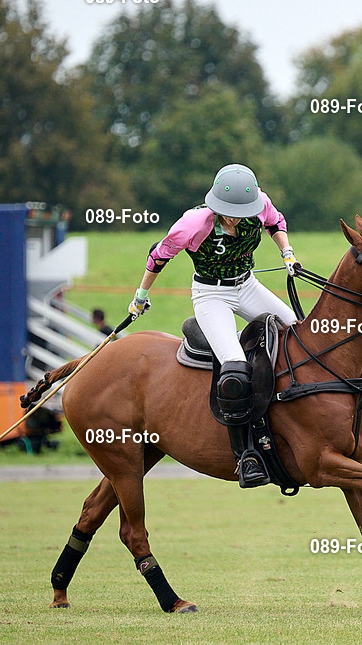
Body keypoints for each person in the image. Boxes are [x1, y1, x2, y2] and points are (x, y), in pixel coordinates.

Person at [128, 164, 300, 487]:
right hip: (211, 295)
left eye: (240, 213)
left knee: (297, 332)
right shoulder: (193, 224)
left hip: (247, 286)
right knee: (235, 368)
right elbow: (158, 256)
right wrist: (140, 296)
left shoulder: (260, 204)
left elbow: (276, 223)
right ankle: (246, 455)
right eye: (227, 213)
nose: (234, 219)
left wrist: (286, 252)